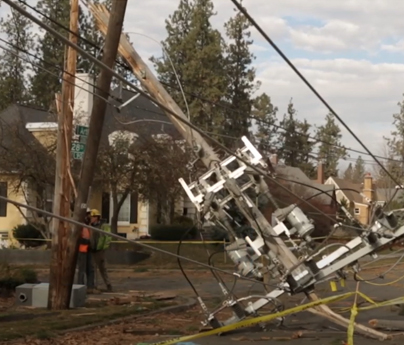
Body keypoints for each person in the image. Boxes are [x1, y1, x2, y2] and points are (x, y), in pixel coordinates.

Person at [89, 209, 113, 292]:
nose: (91, 218)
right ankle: (94, 285)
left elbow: (107, 238)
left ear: (97, 217)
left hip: (100, 250)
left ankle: (108, 284)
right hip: (92, 250)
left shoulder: (104, 226)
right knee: (92, 268)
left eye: (92, 217)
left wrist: (103, 248)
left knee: (102, 268)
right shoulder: (90, 226)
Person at [77, 211, 95, 293]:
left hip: (89, 249)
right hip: (82, 250)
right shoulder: (79, 226)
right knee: (82, 269)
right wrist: (86, 241)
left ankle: (90, 286)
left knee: (90, 269)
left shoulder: (88, 226)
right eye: (88, 215)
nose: (89, 217)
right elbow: (77, 238)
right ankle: (80, 286)